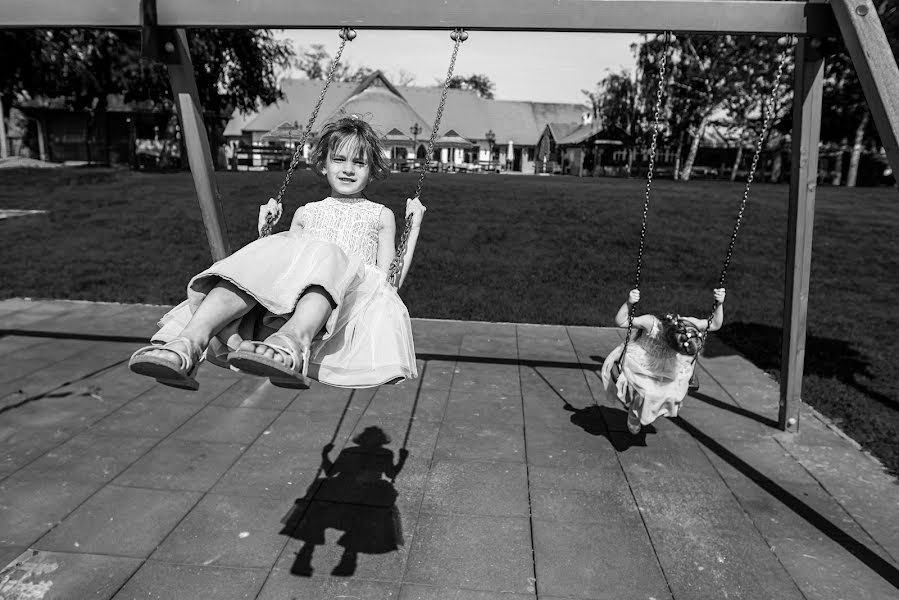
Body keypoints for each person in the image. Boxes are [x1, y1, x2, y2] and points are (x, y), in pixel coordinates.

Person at [129, 116, 424, 390]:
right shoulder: (306, 213)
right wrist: (265, 234)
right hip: (290, 297)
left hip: (339, 298)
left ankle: (291, 344)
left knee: (330, 260)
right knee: (254, 268)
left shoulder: (380, 215)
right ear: (323, 164)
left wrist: (413, 226)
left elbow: (390, 282)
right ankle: (187, 345)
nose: (348, 169)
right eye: (339, 159)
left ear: (372, 170)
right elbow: (280, 270)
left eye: (359, 163)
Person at [600, 288, 726, 434]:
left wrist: (719, 304)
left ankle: (654, 408)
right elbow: (621, 321)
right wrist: (629, 302)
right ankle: (634, 414)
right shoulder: (652, 323)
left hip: (669, 365)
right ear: (670, 343)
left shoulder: (689, 325)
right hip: (642, 362)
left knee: (673, 393)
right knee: (645, 392)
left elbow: (715, 324)